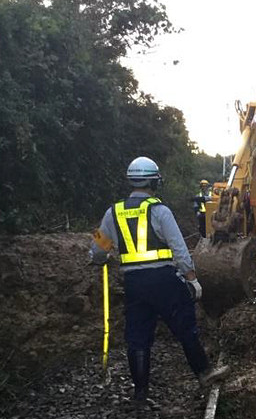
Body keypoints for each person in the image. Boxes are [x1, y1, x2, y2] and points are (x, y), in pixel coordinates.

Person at [90, 157, 229, 402]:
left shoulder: (113, 212)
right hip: (163, 279)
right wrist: (191, 278)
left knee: (137, 336)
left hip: (133, 283)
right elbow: (179, 249)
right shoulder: (160, 210)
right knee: (185, 327)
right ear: (154, 182)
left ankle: (140, 393)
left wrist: (98, 258)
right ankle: (204, 373)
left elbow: (98, 248)